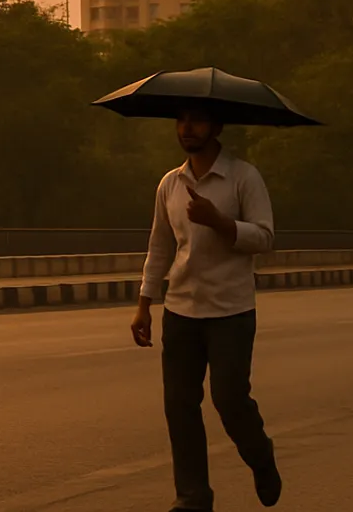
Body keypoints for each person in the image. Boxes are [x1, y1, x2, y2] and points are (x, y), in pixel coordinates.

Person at [130, 104, 283, 511]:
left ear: (216, 127)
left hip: (230, 311)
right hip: (181, 310)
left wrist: (219, 221)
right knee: (180, 407)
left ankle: (260, 457)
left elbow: (265, 237)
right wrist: (145, 304)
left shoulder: (243, 177)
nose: (187, 128)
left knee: (230, 399)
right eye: (181, 120)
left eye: (196, 120)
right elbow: (160, 247)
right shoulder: (171, 184)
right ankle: (193, 497)